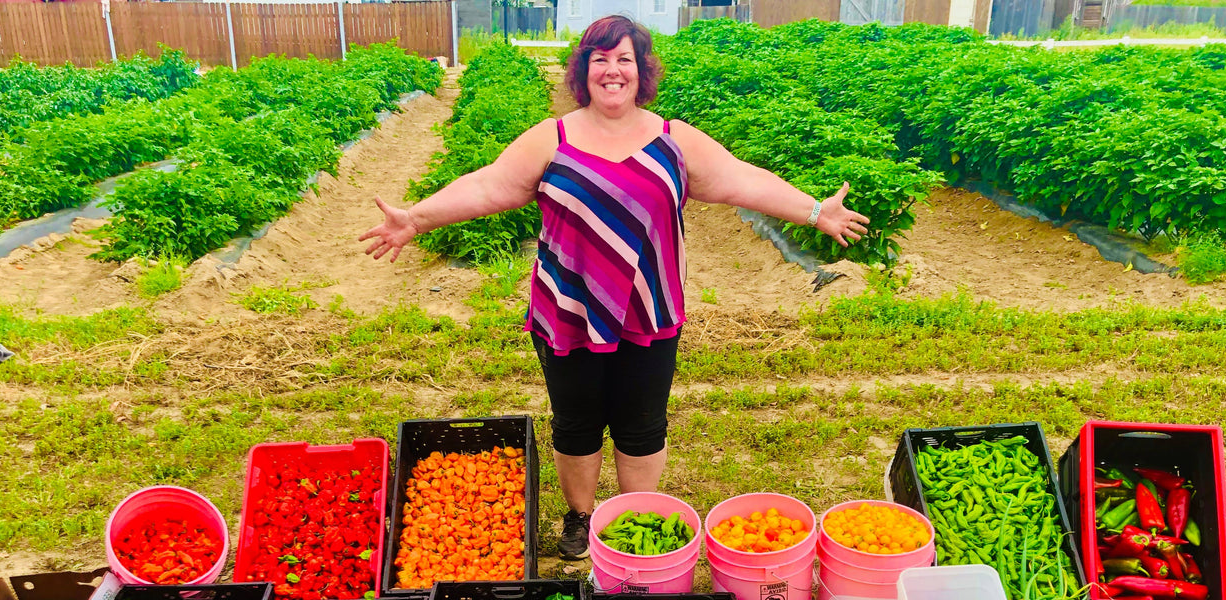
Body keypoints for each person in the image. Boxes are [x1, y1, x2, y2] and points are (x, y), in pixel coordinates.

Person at [360, 15, 869, 559]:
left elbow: (740, 178)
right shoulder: (552, 138)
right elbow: (490, 185)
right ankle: (580, 516)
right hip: (569, 309)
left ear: (640, 70)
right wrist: (417, 218)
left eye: (624, 59)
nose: (612, 70)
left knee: (642, 421)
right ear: (583, 69)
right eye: (600, 59)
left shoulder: (673, 139)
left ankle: (634, 520)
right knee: (576, 421)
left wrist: (814, 211)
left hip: (647, 307)